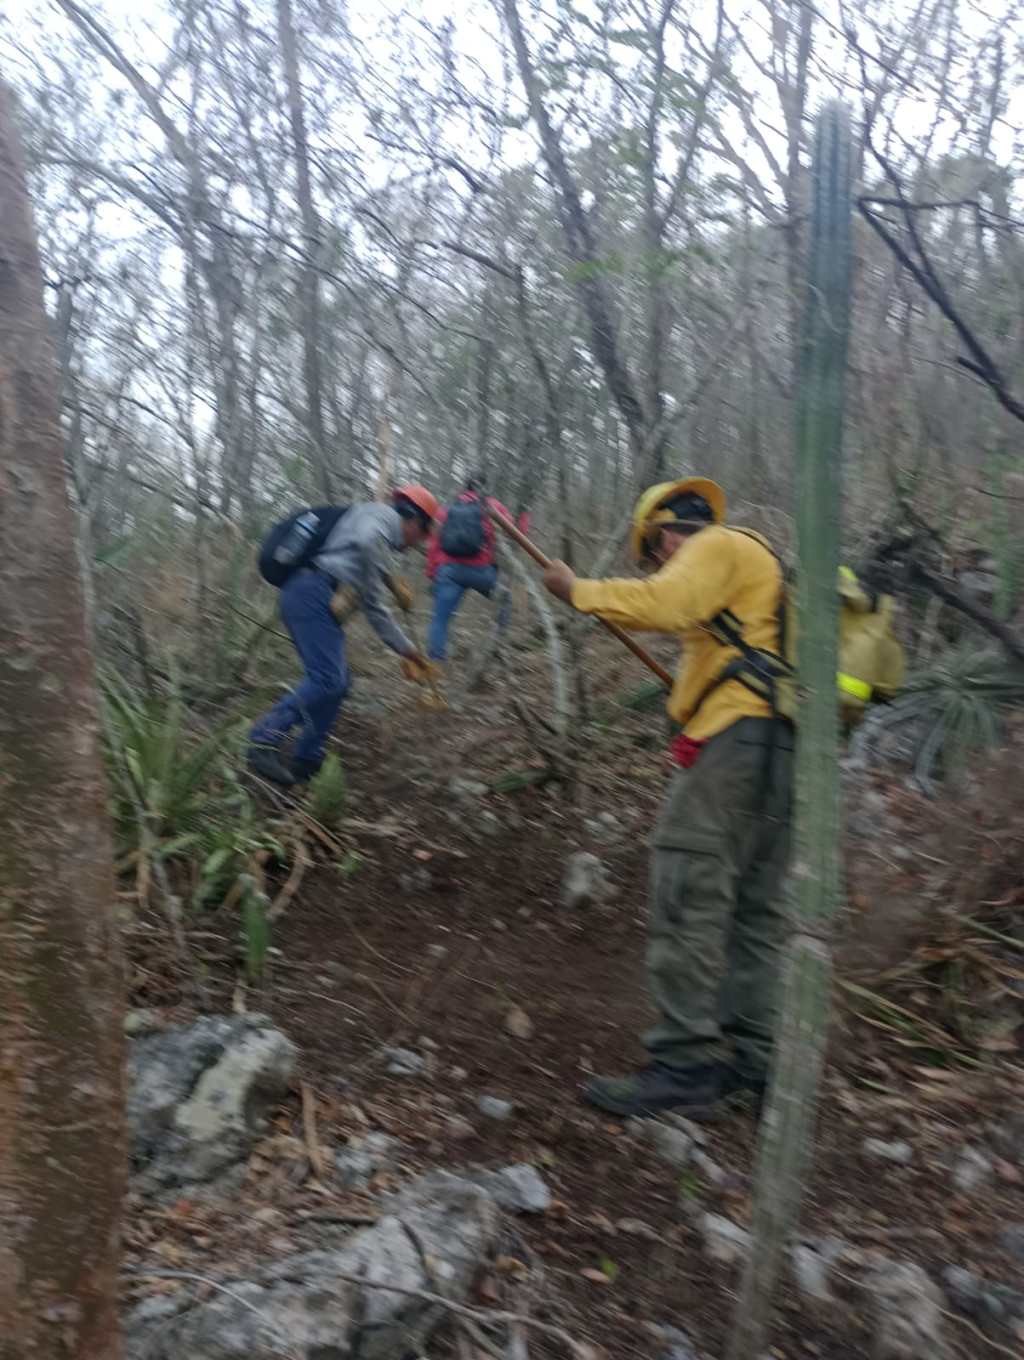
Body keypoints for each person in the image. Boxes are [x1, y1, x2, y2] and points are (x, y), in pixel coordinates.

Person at [542, 478, 794, 1118]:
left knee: (688, 891)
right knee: (754, 911)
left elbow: (667, 603)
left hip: (732, 746)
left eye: (654, 554)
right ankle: (752, 1061)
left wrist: (580, 592)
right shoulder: (757, 566)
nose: (656, 565)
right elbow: (701, 629)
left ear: (666, 534)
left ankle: (684, 1065)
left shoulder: (713, 547)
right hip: (781, 745)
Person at [248, 486, 439, 786]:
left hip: (314, 595)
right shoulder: (382, 519)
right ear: (415, 521)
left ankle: (307, 760)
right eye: (423, 535)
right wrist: (390, 576)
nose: (418, 543)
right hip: (311, 590)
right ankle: (263, 739)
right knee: (327, 678)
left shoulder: (371, 537)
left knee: (339, 682)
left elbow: (375, 610)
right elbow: (366, 541)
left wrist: (409, 651)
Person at [425, 479, 520, 663]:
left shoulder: (447, 509)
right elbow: (512, 531)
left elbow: (434, 544)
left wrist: (432, 574)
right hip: (481, 571)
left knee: (440, 619)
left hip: (449, 571)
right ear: (483, 488)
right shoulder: (491, 505)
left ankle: (436, 663)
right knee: (504, 599)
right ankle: (496, 646)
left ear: (464, 489)